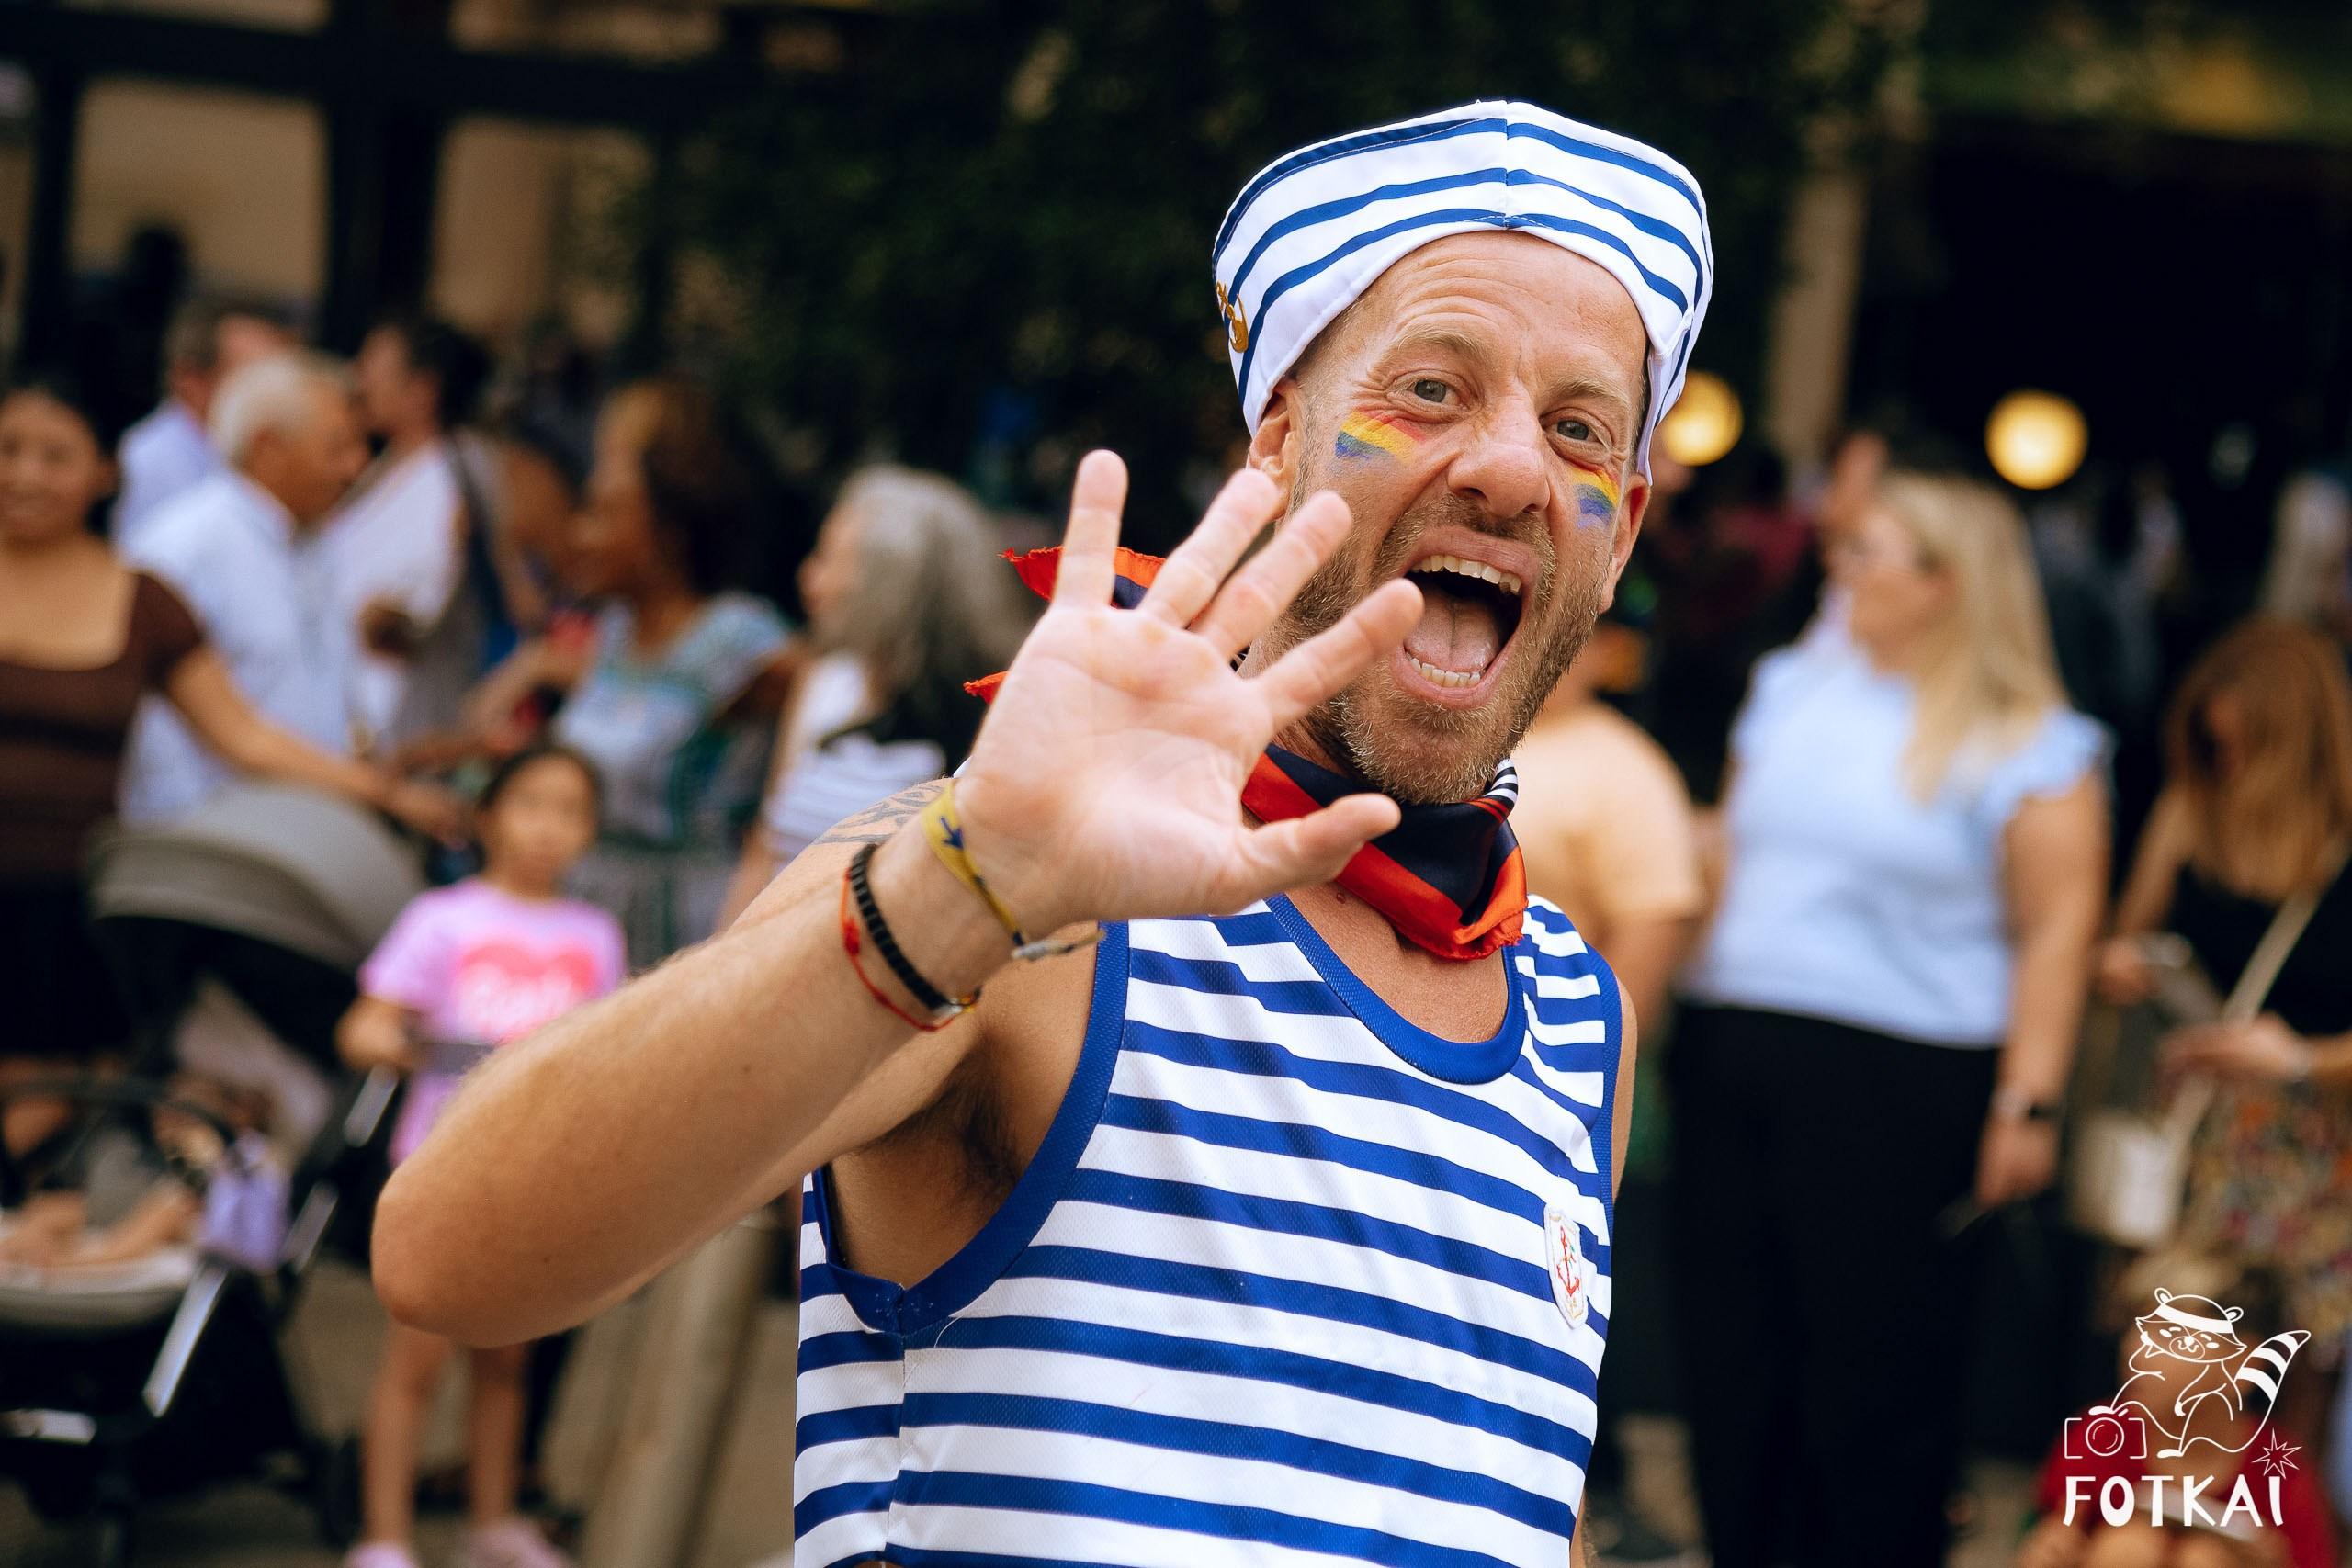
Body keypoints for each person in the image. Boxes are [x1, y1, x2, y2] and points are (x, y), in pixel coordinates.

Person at [377, 99, 1710, 1563]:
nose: (1515, 469)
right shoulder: (1017, 899)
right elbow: (451, 1254)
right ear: (1276, 450)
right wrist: (968, 882)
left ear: (1625, 522)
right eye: (1435, 390)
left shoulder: (1580, 1012)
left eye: (1579, 427)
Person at [1672, 470, 2109, 1566]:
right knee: (1734, 1361)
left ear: (1944, 585)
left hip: (1907, 1078)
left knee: (1876, 1382)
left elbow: (2059, 930)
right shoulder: (1788, 687)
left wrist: (2030, 1101)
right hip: (1736, 1046)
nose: (1840, 568)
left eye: (1868, 552)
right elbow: (1731, 847)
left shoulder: (2028, 740)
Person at [0, 370, 455, 1152]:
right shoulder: (200, 538)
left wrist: (384, 791)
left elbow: (244, 734)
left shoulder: (142, 597)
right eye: (8, 449)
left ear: (105, 472)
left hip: (61, 908)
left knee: (48, 1109)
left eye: (54, 455)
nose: (24, 474)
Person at [336, 744, 622, 1568]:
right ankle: (384, 1537)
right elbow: (362, 1024)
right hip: (440, 1167)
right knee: (415, 1360)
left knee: (507, 1361)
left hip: (540, 1175)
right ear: (488, 814)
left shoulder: (594, 933)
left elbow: (604, 1052)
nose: (549, 827)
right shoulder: (442, 918)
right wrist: (396, 1040)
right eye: (532, 802)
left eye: (571, 810)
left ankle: (491, 1523)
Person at [2099, 623, 2352, 1375]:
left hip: (2317, 1149)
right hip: (2193, 1130)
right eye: (2215, 746)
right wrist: (2119, 965)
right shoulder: (2193, 810)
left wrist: (2299, 1059)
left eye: (2246, 749)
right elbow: (2127, 934)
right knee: (2166, 1367)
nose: (2230, 765)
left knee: (2282, 1380)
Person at [480, 376, 794, 967]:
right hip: (580, 914)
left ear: (667, 529)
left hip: (676, 933)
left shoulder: (743, 644)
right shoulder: (617, 630)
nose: (579, 532)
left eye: (606, 508)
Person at [718, 465, 1031, 926]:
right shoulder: (823, 681)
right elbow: (763, 844)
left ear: (891, 582)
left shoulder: (979, 720)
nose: (809, 577)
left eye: (831, 559)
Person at [116, 354, 379, 825]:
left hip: (307, 827)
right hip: (206, 838)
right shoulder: (184, 545)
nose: (355, 467)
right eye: (337, 447)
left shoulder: (316, 543)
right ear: (268, 449)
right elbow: (166, 727)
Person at [1509, 595, 1701, 1028]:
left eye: (1572, 629)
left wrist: (1590, 1056)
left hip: (1539, 1034)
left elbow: (1650, 928)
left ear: (1605, 652)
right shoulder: (1451, 731)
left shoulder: (1630, 770)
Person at [328, 313, 498, 743]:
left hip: (395, 718)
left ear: (422, 390)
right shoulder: (381, 466)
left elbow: (419, 611)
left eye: (371, 366)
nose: (356, 378)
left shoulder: (453, 478)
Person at [113, 295, 293, 547]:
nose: (280, 393)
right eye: (255, 378)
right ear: (191, 383)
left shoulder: (260, 445)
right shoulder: (149, 459)